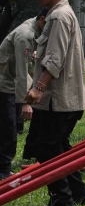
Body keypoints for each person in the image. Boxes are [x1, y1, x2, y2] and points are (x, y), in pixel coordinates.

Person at [24, 0, 85, 206]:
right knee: (59, 147)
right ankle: (80, 195)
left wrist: (39, 87)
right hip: (65, 98)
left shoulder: (59, 17)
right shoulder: (59, 14)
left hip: (58, 99)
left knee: (47, 149)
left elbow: (55, 57)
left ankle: (62, 200)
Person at [0, 10, 46, 179]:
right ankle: (3, 169)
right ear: (42, 19)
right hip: (4, 85)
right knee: (8, 128)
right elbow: (21, 72)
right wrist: (26, 102)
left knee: (10, 127)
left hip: (10, 84)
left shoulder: (34, 29)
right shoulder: (25, 35)